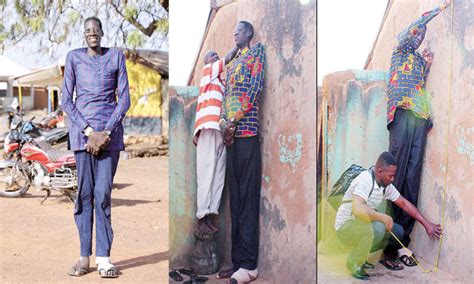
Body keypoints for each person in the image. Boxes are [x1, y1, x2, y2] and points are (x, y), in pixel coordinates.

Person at [61, 16, 130, 278]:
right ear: (84, 35)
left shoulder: (115, 56)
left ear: (102, 33)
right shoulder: (74, 58)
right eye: (88, 30)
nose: (92, 33)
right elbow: (67, 100)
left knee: (103, 194)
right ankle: (83, 257)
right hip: (82, 137)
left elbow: (124, 99)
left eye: (96, 29)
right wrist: (89, 132)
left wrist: (106, 133)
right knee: (85, 195)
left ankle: (104, 259)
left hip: (109, 138)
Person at [385, 0, 451, 266]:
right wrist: (439, 9)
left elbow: (420, 89)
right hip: (401, 115)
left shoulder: (416, 60)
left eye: (422, 36)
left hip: (419, 120)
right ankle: (387, 245)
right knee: (395, 176)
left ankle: (403, 245)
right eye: (418, 33)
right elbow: (414, 27)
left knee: (412, 179)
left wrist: (427, 65)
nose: (419, 37)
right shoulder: (400, 48)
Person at [335, 152, 442, 280]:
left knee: (397, 231)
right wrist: (383, 217)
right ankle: (353, 262)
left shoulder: (386, 186)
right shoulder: (365, 180)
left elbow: (404, 204)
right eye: (390, 176)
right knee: (379, 228)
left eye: (394, 175)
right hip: (345, 228)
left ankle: (362, 256)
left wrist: (427, 224)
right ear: (380, 171)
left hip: (362, 225)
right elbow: (357, 209)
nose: (393, 179)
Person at [216, 20, 265, 283]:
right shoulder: (233, 63)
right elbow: (224, 95)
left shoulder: (256, 54)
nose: (234, 32)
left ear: (249, 34)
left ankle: (249, 265)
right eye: (233, 30)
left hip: (246, 134)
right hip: (231, 137)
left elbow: (255, 89)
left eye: (239, 30)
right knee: (235, 201)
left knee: (247, 200)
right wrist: (224, 122)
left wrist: (233, 121)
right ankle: (237, 262)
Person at [193, 47, 238, 233]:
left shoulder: (221, 83)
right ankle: (202, 216)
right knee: (206, 173)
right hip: (208, 128)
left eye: (215, 55)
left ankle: (211, 214)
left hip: (219, 130)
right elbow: (227, 58)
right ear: (206, 62)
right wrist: (237, 45)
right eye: (211, 55)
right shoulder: (208, 72)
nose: (215, 56)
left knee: (218, 175)